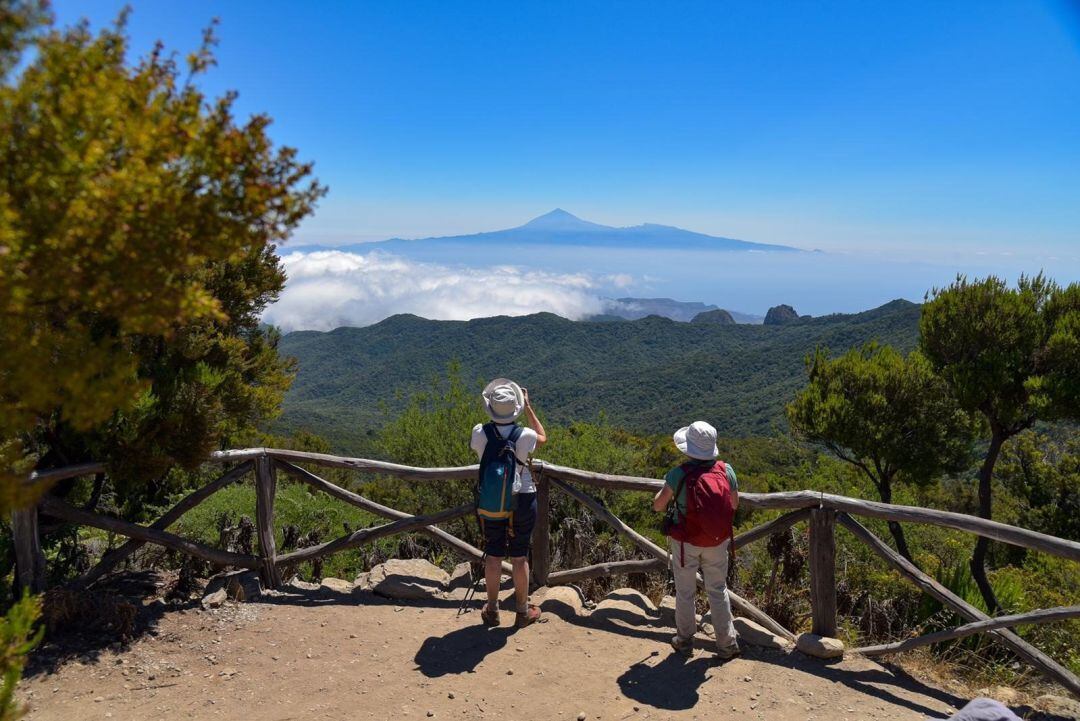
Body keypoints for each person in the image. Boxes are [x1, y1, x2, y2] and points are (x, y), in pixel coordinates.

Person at [652, 420, 740, 659]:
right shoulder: (726, 470)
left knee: (685, 592)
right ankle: (727, 644)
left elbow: (658, 506)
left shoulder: (678, 474)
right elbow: (734, 504)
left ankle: (684, 639)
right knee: (718, 589)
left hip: (685, 542)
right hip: (717, 541)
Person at [470, 378, 547, 628]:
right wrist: (529, 408)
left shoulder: (479, 433)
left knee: (493, 556)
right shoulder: (524, 435)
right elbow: (543, 437)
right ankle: (522, 612)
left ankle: (492, 610)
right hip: (523, 499)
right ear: (516, 407)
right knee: (519, 557)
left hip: (491, 500)